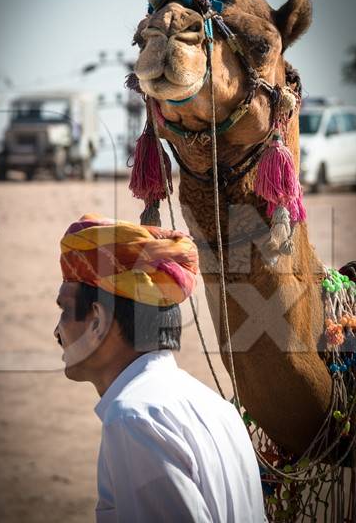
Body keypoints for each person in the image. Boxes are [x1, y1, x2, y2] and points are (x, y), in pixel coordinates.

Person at [55, 213, 266, 522]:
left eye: (64, 310)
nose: (57, 332)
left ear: (98, 321)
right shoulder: (220, 409)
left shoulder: (133, 418)